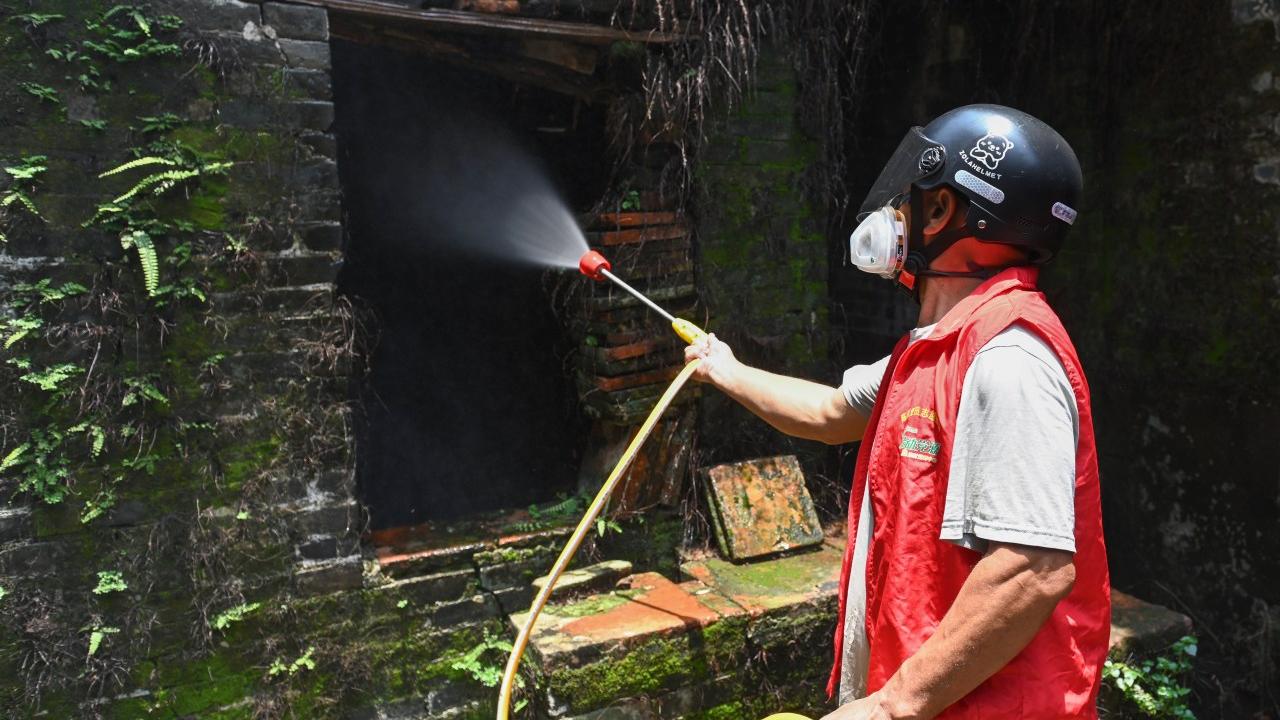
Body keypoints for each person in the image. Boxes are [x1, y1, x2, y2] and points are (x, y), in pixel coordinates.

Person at [685, 104, 1110, 719]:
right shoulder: (936, 350)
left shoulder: (1011, 358)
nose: (895, 214)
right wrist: (724, 368)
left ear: (941, 212)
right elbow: (830, 412)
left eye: (912, 197)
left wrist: (892, 706)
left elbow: (1033, 570)